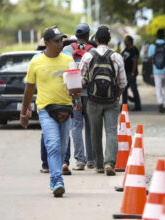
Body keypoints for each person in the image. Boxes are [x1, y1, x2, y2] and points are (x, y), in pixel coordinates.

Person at [20, 26, 79, 197]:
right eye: (56, 40)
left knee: (62, 148)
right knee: (53, 144)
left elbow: (75, 86)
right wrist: (24, 113)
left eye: (62, 40)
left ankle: (54, 179)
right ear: (46, 43)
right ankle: (57, 180)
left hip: (65, 109)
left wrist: (77, 96)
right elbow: (29, 90)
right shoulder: (36, 62)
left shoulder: (68, 59)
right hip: (45, 110)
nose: (60, 43)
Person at [80, 25, 127, 176]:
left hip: (92, 100)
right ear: (109, 40)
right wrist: (117, 95)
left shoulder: (88, 56)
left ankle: (99, 165)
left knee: (95, 132)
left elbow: (81, 79)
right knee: (112, 131)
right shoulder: (116, 56)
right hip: (111, 100)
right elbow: (123, 82)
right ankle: (109, 163)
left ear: (95, 39)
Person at [63, 23, 95, 170]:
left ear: (76, 35)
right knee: (90, 126)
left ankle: (80, 161)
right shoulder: (93, 51)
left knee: (76, 126)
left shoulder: (66, 50)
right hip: (89, 94)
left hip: (74, 93)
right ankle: (91, 160)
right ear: (88, 35)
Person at [148, 29, 165, 113]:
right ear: (164, 36)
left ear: (156, 36)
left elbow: (150, 58)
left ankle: (160, 103)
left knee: (158, 87)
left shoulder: (152, 46)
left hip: (156, 70)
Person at [122, 35, 142, 111]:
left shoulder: (134, 50)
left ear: (130, 41)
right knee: (124, 90)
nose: (124, 42)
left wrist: (133, 73)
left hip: (131, 73)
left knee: (134, 89)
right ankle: (124, 106)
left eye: (126, 40)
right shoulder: (126, 49)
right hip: (125, 72)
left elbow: (135, 62)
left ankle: (138, 106)